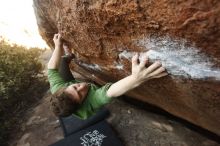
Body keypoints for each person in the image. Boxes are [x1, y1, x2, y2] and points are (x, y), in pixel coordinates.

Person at [48, 33, 168, 119]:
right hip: (88, 103)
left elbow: (52, 68)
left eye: (75, 88)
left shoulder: (57, 88)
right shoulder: (91, 103)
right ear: (81, 103)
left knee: (62, 62)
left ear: (63, 88)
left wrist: (58, 46)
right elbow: (110, 92)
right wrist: (136, 78)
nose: (81, 87)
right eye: (80, 94)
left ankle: (70, 56)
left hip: (66, 84)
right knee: (93, 88)